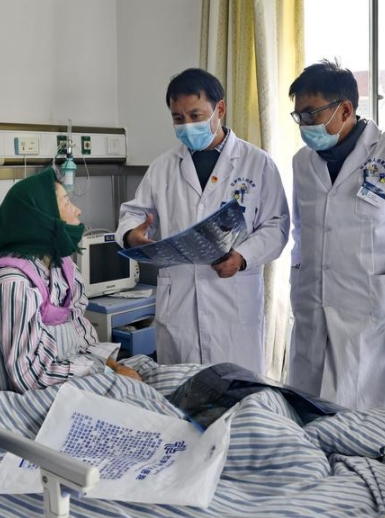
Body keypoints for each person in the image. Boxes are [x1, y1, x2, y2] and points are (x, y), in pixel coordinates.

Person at [115, 68, 289, 375]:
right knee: (179, 396)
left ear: (219, 109)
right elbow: (134, 213)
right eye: (178, 119)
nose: (187, 126)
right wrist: (132, 235)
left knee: (237, 397)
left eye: (195, 115)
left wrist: (242, 257)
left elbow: (276, 226)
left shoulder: (256, 163)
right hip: (179, 302)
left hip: (232, 302)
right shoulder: (163, 167)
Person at [285, 59, 385, 412]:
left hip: (373, 321)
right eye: (298, 117)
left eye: (310, 114)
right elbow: (301, 231)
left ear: (346, 109)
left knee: (370, 430)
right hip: (313, 313)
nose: (304, 126)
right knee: (311, 421)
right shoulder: (302, 163)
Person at [0, 167, 141, 392]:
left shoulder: (63, 266)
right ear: (42, 217)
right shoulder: (12, 283)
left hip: (56, 369)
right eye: (66, 203)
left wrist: (112, 366)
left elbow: (80, 335)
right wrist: (102, 372)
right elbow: (30, 376)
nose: (78, 211)